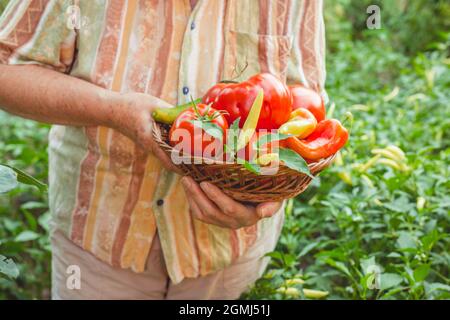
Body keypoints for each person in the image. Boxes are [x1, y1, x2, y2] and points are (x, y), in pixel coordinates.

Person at [0, 0, 326, 299]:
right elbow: (7, 67)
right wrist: (114, 110)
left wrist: (262, 201)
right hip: (100, 240)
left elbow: (310, 112)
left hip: (231, 255)